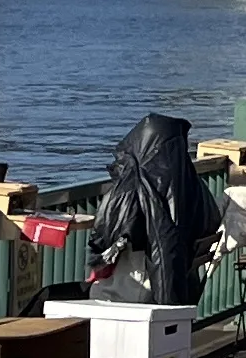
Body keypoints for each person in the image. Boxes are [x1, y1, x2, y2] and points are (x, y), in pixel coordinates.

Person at [90, 109, 219, 307]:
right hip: (183, 290)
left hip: (136, 293)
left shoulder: (139, 189)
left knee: (46, 298)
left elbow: (101, 239)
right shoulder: (195, 188)